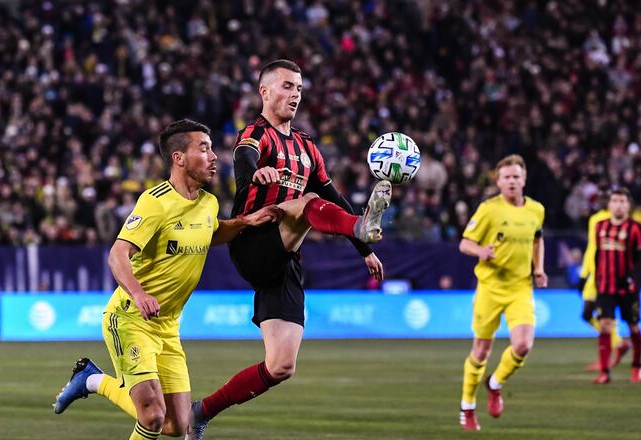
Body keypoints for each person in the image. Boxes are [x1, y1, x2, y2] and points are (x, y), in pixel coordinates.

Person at [186, 59, 391, 439]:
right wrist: (255, 174)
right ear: (265, 91)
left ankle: (201, 411)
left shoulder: (308, 148)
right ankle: (363, 224)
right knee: (304, 201)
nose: (295, 94)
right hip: (252, 239)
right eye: (286, 86)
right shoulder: (256, 132)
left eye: (299, 88)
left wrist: (363, 250)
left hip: (284, 259)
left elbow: (335, 197)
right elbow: (244, 158)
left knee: (281, 366)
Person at [52, 119, 283, 440]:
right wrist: (138, 294)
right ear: (179, 158)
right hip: (131, 319)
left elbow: (210, 232)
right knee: (152, 415)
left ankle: (93, 380)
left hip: (168, 327)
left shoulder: (208, 202)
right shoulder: (155, 202)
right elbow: (117, 255)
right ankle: (94, 381)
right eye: (204, 148)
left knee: (177, 426)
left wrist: (244, 222)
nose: (215, 156)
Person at [457, 154, 547, 431]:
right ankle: (467, 407)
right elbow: (464, 243)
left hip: (520, 286)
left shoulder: (536, 210)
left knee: (523, 345)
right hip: (491, 288)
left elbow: (537, 240)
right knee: (481, 351)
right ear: (498, 181)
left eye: (516, 176)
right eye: (506, 177)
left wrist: (539, 268)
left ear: (524, 180)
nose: (511, 181)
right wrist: (481, 251)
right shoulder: (488, 209)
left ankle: (494, 384)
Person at [592, 187, 641, 384]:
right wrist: (595, 279)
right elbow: (598, 254)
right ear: (609, 205)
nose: (618, 204)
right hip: (605, 286)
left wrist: (633, 278)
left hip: (628, 288)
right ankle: (605, 371)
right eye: (615, 201)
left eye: (622, 201)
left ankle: (637, 365)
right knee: (605, 326)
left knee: (633, 327)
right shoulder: (599, 227)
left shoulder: (637, 228)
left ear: (628, 205)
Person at [579, 200, 629, 372]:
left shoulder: (614, 221)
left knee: (601, 314)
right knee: (588, 314)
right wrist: (584, 273)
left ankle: (616, 346)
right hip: (595, 273)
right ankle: (618, 343)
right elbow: (592, 247)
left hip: (605, 273)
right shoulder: (596, 220)